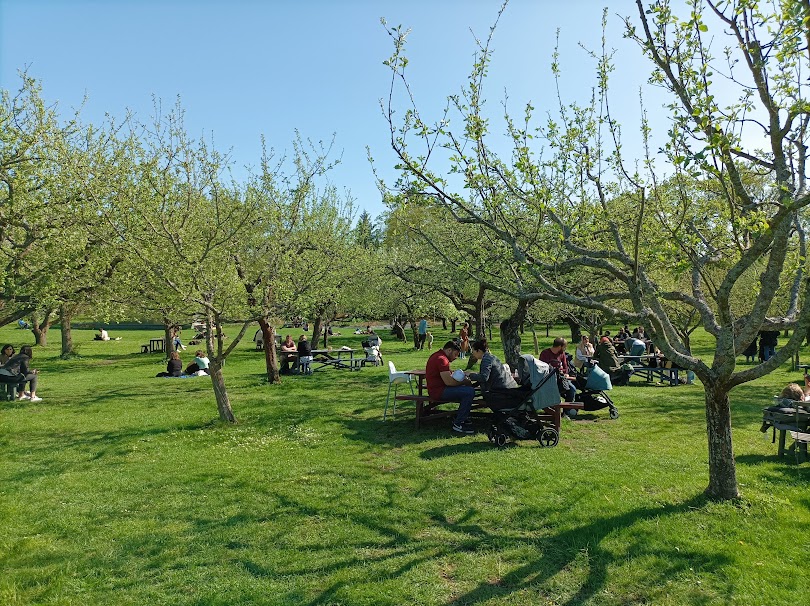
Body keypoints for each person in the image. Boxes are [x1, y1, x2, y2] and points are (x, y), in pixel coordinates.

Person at [425, 340, 476, 434]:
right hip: (439, 391)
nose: (456, 357)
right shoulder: (442, 359)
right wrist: (464, 381)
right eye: (455, 354)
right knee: (469, 392)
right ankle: (459, 423)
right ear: (449, 350)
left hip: (436, 389)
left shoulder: (437, 356)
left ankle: (462, 417)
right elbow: (449, 382)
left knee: (467, 390)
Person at [539, 337, 577, 404]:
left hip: (561, 378)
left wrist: (565, 373)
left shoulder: (562, 354)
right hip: (549, 379)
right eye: (564, 347)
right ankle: (552, 410)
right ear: (559, 346)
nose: (565, 349)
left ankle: (566, 411)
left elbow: (565, 366)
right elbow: (541, 368)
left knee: (572, 389)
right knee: (555, 391)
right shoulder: (545, 353)